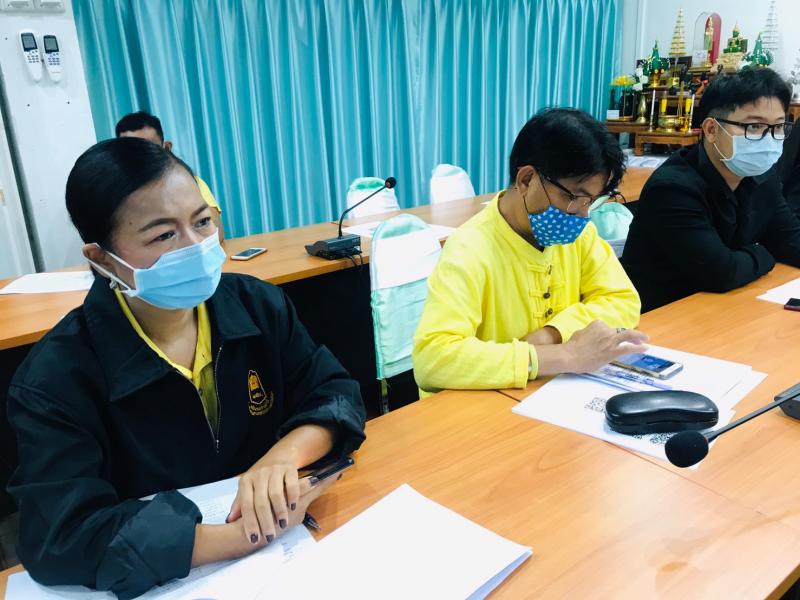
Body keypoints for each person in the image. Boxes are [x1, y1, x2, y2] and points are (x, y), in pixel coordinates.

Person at [7, 138, 366, 598]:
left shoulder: (257, 305)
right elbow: (62, 534)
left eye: (202, 222)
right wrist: (240, 537)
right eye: (163, 235)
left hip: (295, 555)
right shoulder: (55, 377)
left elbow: (334, 392)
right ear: (101, 259)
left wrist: (284, 455)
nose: (196, 247)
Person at [412, 108, 646, 395]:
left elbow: (623, 300)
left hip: (548, 394)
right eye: (576, 197)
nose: (583, 215)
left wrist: (553, 334)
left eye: (592, 201)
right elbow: (432, 359)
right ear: (526, 180)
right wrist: (565, 355)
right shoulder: (469, 249)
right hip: (484, 404)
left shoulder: (579, 234)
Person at [622, 68, 800, 312]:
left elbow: (791, 239)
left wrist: (757, 254)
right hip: (666, 314)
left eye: (778, 127)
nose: (768, 139)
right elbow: (721, 272)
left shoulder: (762, 176)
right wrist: (763, 253)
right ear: (711, 130)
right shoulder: (673, 188)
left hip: (729, 303)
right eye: (755, 126)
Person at [115, 111, 225, 241]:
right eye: (130, 150)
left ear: (166, 148)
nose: (140, 157)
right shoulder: (113, 196)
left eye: (150, 149)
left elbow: (217, 233)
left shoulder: (191, 184)